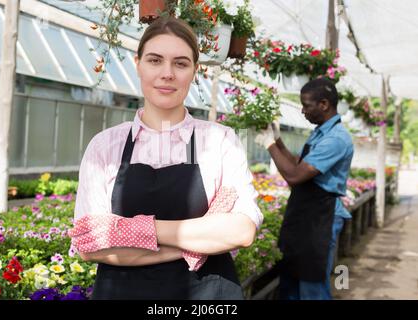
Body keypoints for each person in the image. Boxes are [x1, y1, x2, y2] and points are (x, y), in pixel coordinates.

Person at [68, 16, 263, 300]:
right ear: (138, 64)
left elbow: (241, 231)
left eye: (181, 63)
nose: (167, 73)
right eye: (155, 60)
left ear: (195, 71)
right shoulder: (106, 146)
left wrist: (132, 230)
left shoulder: (219, 141)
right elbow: (92, 244)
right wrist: (196, 244)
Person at [255, 78, 353, 300]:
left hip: (321, 218)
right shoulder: (320, 132)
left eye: (307, 105)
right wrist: (278, 141)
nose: (302, 110)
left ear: (324, 104)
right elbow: (298, 164)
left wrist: (269, 145)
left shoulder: (337, 139)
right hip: (304, 215)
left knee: (312, 286)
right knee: (291, 279)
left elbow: (295, 175)